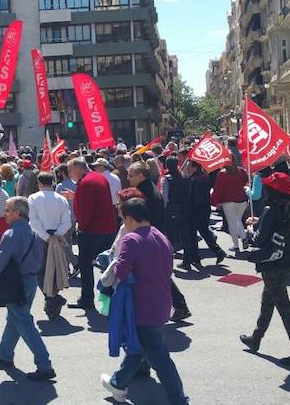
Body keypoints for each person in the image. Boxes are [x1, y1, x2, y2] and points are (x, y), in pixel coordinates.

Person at [100, 198, 189, 405]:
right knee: (138, 349)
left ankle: (179, 400)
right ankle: (118, 382)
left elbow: (121, 271)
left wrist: (111, 264)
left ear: (130, 218)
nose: (123, 223)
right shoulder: (159, 235)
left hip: (142, 306)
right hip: (161, 302)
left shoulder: (132, 239)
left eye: (123, 219)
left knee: (160, 359)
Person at [239, 173, 290, 367]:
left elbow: (259, 239)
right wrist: (259, 221)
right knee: (267, 303)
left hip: (272, 264)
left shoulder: (271, 210)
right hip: (286, 262)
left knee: (284, 309)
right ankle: (256, 338)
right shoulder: (288, 208)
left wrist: (251, 231)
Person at [0, 196, 55, 381]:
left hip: (14, 282)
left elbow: (1, 262)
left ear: (17, 213)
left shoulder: (11, 234)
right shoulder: (34, 232)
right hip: (30, 280)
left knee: (23, 320)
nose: (5, 214)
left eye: (8, 210)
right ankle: (5, 353)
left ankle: (45, 364)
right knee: (15, 317)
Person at [128, 160, 192, 322]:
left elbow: (142, 217)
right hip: (154, 235)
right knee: (159, 275)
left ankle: (179, 305)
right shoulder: (149, 187)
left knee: (158, 276)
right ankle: (178, 305)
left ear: (141, 175)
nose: (128, 178)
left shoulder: (143, 192)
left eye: (131, 175)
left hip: (148, 237)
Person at [61, 157, 117, 311]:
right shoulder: (99, 177)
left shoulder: (85, 183)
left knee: (86, 266)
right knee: (107, 265)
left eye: (70, 171)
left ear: (78, 169)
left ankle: (87, 299)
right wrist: (76, 195)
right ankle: (112, 297)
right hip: (107, 228)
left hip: (92, 230)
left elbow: (86, 210)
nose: (69, 174)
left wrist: (82, 228)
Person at [27, 171, 72, 319]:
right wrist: (56, 234)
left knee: (40, 270)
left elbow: (33, 221)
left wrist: (47, 236)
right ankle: (52, 299)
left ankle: (51, 299)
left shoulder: (33, 198)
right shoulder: (61, 199)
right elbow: (67, 221)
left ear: (39, 183)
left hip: (42, 238)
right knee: (55, 268)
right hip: (56, 237)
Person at [184, 160, 227, 266]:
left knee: (192, 234)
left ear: (195, 167)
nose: (187, 168)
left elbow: (191, 196)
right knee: (204, 231)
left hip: (195, 209)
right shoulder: (204, 176)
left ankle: (195, 257)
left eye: (189, 166)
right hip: (205, 207)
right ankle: (217, 251)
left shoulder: (194, 179)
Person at [211, 156, 249, 253]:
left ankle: (237, 244)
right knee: (237, 220)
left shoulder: (222, 173)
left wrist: (215, 201)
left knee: (232, 223)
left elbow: (218, 189)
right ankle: (243, 238)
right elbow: (247, 183)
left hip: (228, 201)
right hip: (242, 200)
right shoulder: (242, 171)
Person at [161, 156, 193, 268]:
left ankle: (169, 262)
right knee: (185, 234)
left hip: (172, 208)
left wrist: (164, 209)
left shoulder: (166, 179)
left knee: (170, 235)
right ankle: (187, 259)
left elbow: (165, 197)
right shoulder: (185, 177)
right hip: (184, 207)